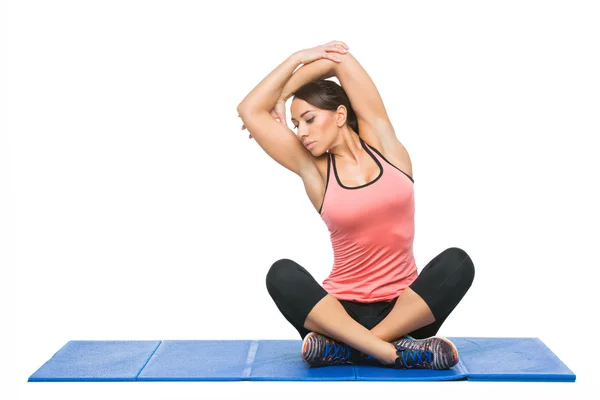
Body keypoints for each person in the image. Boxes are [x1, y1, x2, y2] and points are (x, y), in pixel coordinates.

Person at [237, 41, 475, 370]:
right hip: (338, 314)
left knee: (458, 263)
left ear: (340, 114)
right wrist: (294, 58)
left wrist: (283, 93)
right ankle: (391, 353)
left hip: (405, 313)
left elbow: (341, 60)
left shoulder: (385, 146)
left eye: (308, 119)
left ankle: (354, 350)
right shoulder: (314, 169)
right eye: (295, 125)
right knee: (281, 274)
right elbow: (249, 110)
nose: (301, 132)